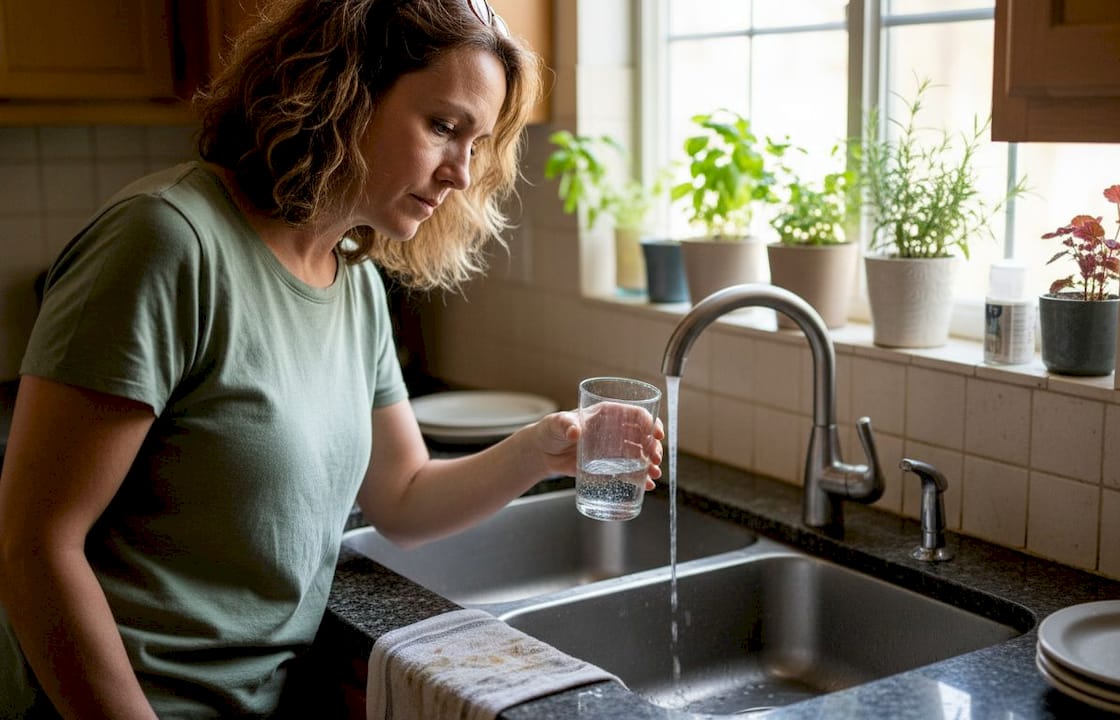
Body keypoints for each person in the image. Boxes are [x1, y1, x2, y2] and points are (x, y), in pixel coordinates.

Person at [0, 1, 664, 717]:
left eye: (476, 143)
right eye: (443, 127)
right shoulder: (167, 243)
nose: (461, 174)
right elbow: (37, 547)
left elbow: (402, 497)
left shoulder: (354, 282)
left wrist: (543, 447)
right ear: (340, 92)